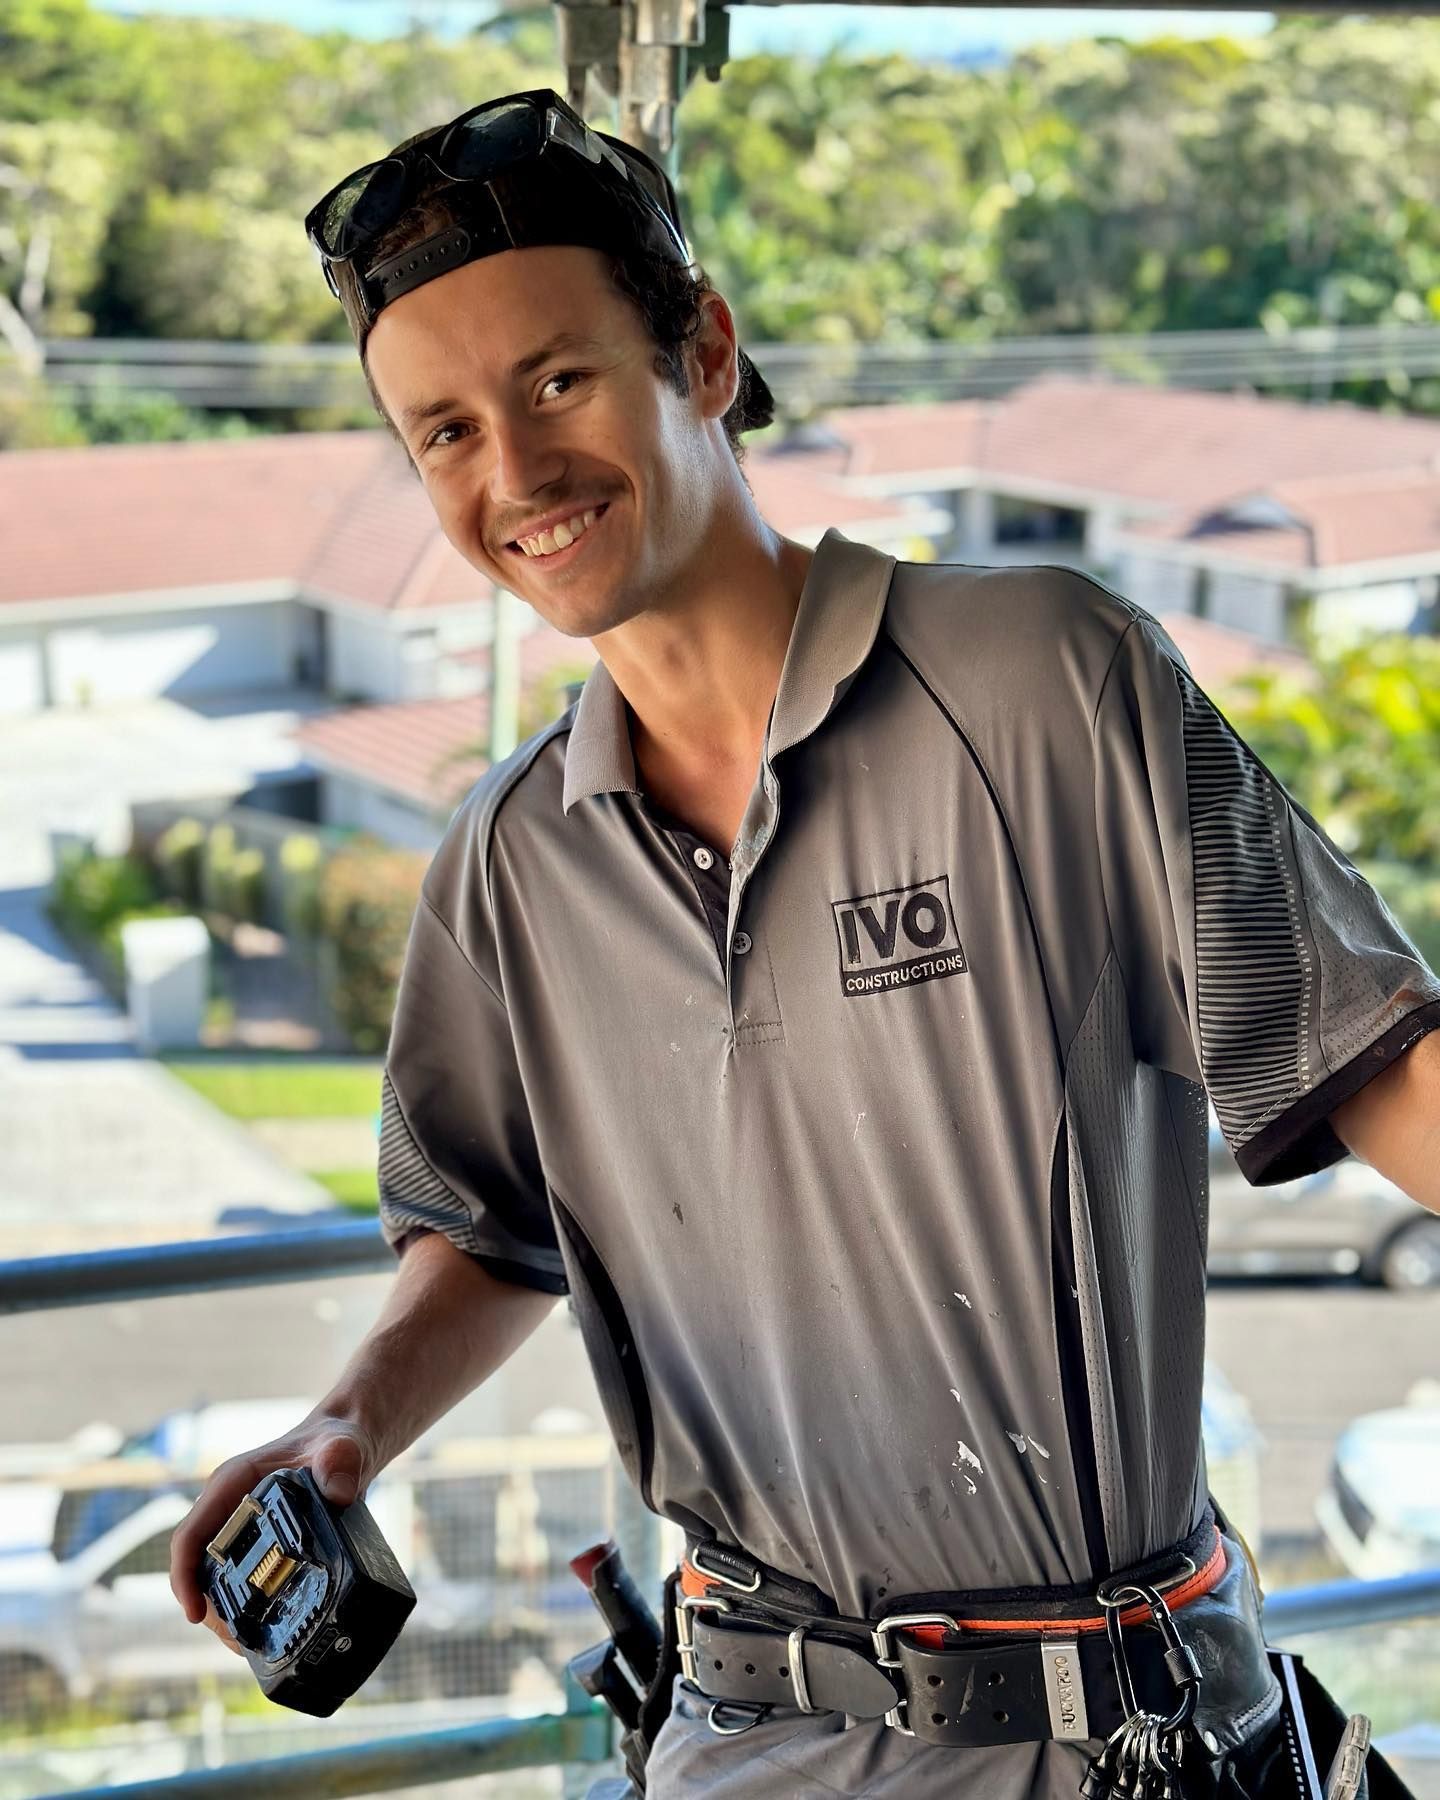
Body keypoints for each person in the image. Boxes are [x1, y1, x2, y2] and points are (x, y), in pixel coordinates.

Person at [170, 88, 1440, 1798]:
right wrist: (352, 1421)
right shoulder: (504, 862)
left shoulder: (1042, 680)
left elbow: (1382, 1073)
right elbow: (483, 1227)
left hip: (1116, 1741)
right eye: (445, 433)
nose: (516, 473)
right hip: (736, 1743)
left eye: (557, 381)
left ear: (700, 350)